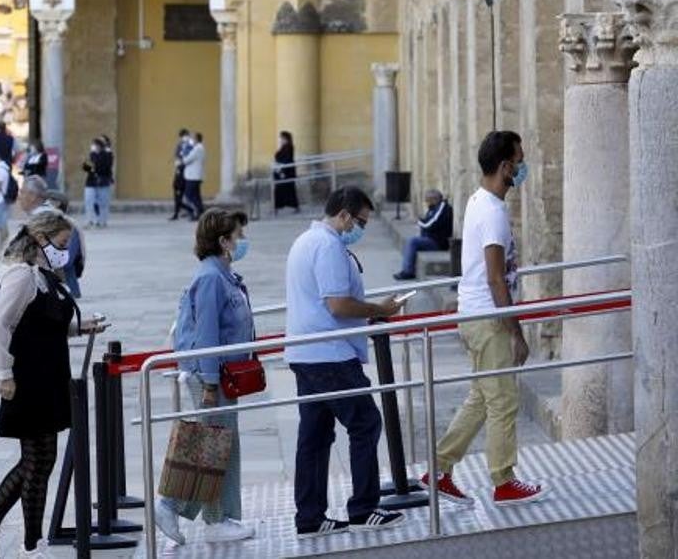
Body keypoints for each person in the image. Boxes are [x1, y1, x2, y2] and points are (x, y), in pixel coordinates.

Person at [0, 212, 109, 559]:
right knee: (38, 463)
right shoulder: (22, 275)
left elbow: (40, 322)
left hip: (46, 378)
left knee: (36, 463)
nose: (64, 251)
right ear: (41, 240)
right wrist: (3, 375)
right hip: (28, 380)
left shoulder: (42, 276)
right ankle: (29, 545)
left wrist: (81, 326)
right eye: (60, 244)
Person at [422, 131, 545, 506]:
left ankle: (438, 469)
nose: (523, 167)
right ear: (505, 166)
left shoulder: (479, 201)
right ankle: (503, 481)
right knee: (504, 400)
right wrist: (516, 332)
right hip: (488, 320)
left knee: (481, 397)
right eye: (519, 161)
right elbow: (495, 277)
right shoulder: (492, 212)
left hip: (474, 316)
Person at [284, 186, 405, 537]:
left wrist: (368, 311)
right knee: (365, 422)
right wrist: (378, 310)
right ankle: (363, 509)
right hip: (329, 355)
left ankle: (309, 517)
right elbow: (337, 304)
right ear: (344, 215)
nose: (360, 230)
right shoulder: (329, 245)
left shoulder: (305, 241)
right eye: (360, 222)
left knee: (316, 436)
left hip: (305, 354)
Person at [153, 209, 256, 545]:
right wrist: (210, 383)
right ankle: (177, 507)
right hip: (212, 374)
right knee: (214, 444)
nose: (242, 241)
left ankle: (219, 517)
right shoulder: (211, 278)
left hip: (223, 374)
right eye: (238, 236)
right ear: (223, 241)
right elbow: (208, 333)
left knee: (222, 444)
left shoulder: (225, 275)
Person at [393, 189, 454, 280]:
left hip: (438, 243)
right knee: (413, 240)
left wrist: (418, 221)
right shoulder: (434, 208)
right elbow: (426, 223)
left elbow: (430, 224)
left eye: (427, 200)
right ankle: (407, 268)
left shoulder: (443, 207)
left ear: (434, 199)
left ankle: (408, 271)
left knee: (412, 241)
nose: (426, 203)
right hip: (431, 239)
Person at [82, 138, 115, 229]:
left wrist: (94, 165)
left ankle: (102, 221)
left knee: (102, 203)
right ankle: (90, 220)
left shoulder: (107, 155)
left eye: (95, 145)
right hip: (91, 182)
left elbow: (104, 167)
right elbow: (86, 167)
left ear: (99, 146)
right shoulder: (91, 155)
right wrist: (90, 166)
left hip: (102, 182)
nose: (93, 147)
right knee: (89, 201)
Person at [181, 132, 207, 220]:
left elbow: (186, 160)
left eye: (193, 138)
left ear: (196, 139)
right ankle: (200, 213)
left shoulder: (197, 149)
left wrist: (184, 152)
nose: (191, 140)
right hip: (195, 176)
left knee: (189, 195)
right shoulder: (199, 148)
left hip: (193, 176)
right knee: (196, 195)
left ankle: (197, 212)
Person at [273, 130, 300, 214]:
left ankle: (293, 207)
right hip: (282, 171)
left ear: (286, 139)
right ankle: (278, 207)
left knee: (288, 190)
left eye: (282, 138)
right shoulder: (284, 147)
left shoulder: (289, 147)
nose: (280, 140)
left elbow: (287, 159)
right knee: (282, 190)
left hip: (286, 172)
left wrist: (282, 170)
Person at [170, 129, 195, 221]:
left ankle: (190, 210)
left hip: (186, 171)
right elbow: (177, 155)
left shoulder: (191, 144)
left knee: (182, 194)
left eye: (184, 135)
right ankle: (177, 213)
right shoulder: (180, 144)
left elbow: (189, 157)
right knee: (177, 191)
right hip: (179, 170)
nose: (183, 138)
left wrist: (181, 160)